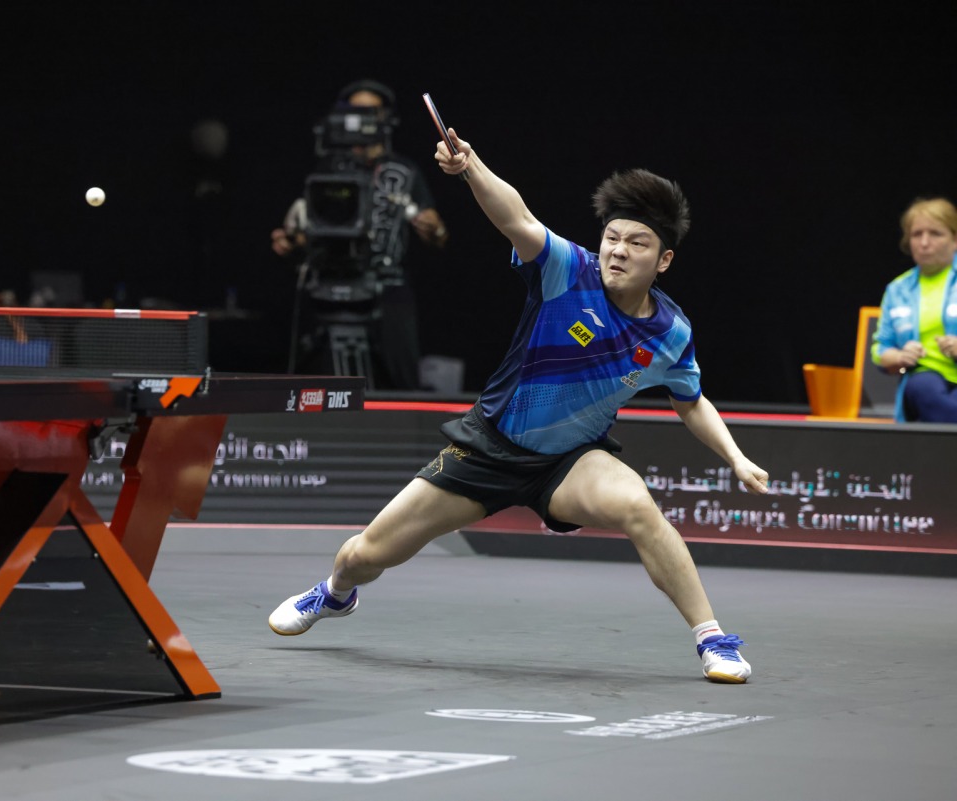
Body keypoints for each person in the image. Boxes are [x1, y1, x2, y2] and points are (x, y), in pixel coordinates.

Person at [268, 126, 770, 684]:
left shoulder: (671, 333)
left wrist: (734, 456)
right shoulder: (568, 271)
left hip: (570, 462)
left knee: (638, 506)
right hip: (489, 449)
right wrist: (471, 167)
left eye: (637, 243)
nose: (619, 251)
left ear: (665, 259)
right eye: (612, 237)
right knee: (367, 553)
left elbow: (691, 400)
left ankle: (713, 640)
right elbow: (518, 218)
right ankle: (335, 596)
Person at [270, 80, 449, 390]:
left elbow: (439, 236)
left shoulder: (404, 171)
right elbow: (314, 231)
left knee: (399, 382)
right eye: (353, 111)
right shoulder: (326, 169)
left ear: (385, 118)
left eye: (370, 111)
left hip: (388, 291)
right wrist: (291, 243)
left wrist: (435, 228)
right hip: (331, 290)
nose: (361, 119)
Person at [871, 197, 957, 423]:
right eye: (917, 234)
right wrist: (900, 356)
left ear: (955, 239)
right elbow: (880, 350)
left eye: (935, 234)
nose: (924, 242)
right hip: (925, 382)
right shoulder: (897, 289)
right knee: (922, 386)